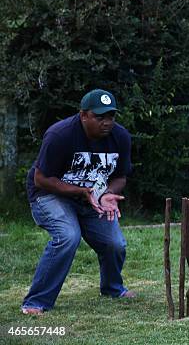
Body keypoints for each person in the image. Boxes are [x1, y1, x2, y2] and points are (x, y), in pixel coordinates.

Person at [21, 89, 135, 315]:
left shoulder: (120, 137)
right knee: (67, 236)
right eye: (100, 117)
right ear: (84, 115)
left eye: (111, 116)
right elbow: (41, 179)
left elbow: (120, 176)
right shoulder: (60, 135)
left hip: (92, 198)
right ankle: (36, 301)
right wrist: (83, 192)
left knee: (115, 243)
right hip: (50, 195)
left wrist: (107, 193)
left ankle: (113, 288)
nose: (107, 122)